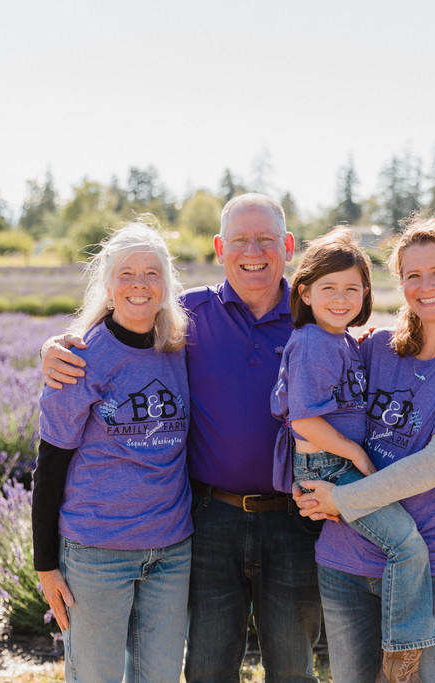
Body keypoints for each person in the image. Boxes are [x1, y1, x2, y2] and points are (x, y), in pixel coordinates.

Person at [42, 194, 322, 682]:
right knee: (207, 669)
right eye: (239, 240)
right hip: (210, 521)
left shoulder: (316, 318)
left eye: (265, 239)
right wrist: (52, 347)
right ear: (219, 248)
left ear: (288, 246)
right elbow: (115, 338)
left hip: (290, 521)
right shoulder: (191, 318)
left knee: (293, 669)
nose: (251, 250)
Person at [295, 214, 435, 683]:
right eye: (413, 275)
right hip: (344, 557)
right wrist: (309, 483)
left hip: (427, 565)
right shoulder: (374, 351)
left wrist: (342, 499)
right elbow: (310, 407)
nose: (425, 285)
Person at [271, 227, 435, 681]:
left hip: (337, 464)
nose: (341, 298)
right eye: (328, 289)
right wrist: (359, 458)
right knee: (406, 545)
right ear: (304, 292)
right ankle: (402, 651)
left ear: (366, 292)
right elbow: (303, 421)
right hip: (331, 466)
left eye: (352, 288)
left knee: (399, 544)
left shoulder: (341, 340)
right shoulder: (310, 342)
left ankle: (399, 645)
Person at [32, 218, 193, 683]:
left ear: (167, 283)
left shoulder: (179, 347)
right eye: (126, 274)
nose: (139, 285)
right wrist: (46, 563)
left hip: (171, 549)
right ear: (106, 284)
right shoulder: (79, 359)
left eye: (151, 273)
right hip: (97, 552)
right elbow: (51, 464)